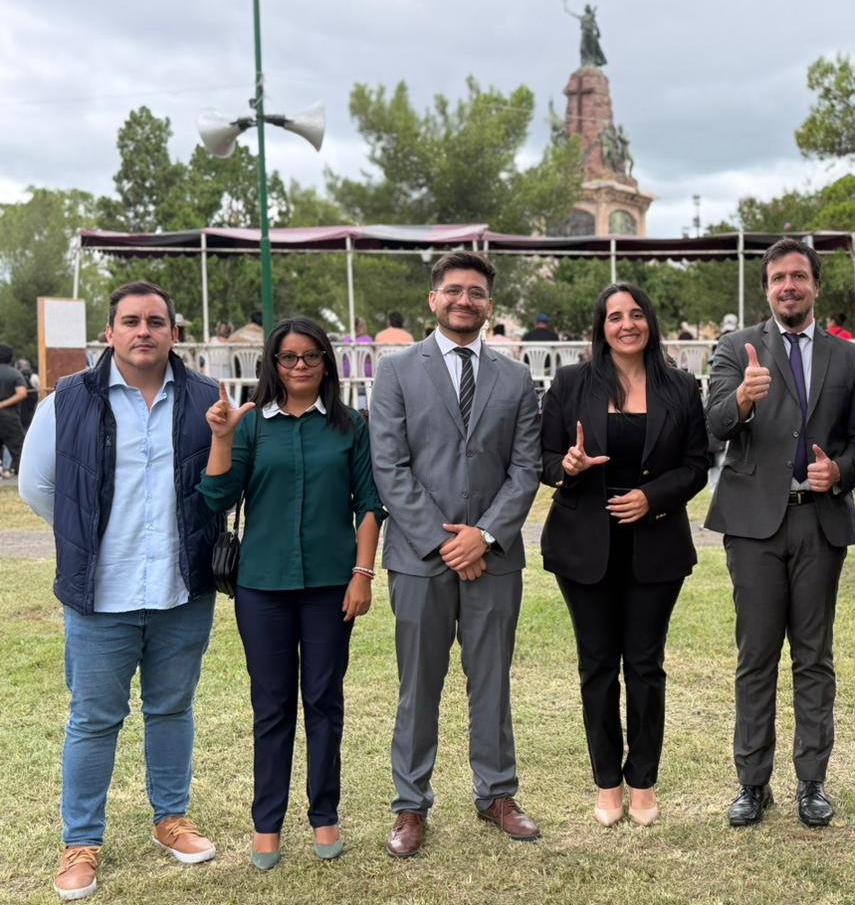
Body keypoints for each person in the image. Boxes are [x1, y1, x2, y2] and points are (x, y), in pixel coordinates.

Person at [19, 280, 222, 901]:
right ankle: (81, 841)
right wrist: (85, 538)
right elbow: (37, 485)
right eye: (130, 321)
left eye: (155, 321)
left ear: (174, 333)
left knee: (172, 709)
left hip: (181, 589)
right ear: (109, 333)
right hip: (100, 595)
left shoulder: (207, 398)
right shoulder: (68, 400)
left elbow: (223, 483)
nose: (143, 331)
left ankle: (171, 817)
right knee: (93, 719)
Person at [371, 250, 542, 855]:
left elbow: (526, 469)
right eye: (453, 290)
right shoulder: (395, 371)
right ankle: (410, 804)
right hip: (420, 559)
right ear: (433, 299)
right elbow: (389, 466)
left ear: (489, 304)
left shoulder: (516, 378)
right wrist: (447, 542)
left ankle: (497, 793)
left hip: (495, 558)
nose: (464, 300)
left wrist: (484, 536)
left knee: (491, 680)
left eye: (475, 292)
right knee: (418, 684)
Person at [197, 317, 383, 870]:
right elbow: (217, 495)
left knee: (324, 701)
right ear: (272, 365)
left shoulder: (350, 425)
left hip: (331, 587)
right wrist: (222, 437)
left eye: (310, 356)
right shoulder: (252, 425)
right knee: (271, 706)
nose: (299, 366)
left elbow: (369, 504)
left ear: (327, 362)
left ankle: (325, 814)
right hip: (263, 588)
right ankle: (267, 823)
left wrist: (363, 573)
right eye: (288, 357)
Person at [705, 238, 855, 828]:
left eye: (799, 276)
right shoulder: (736, 348)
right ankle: (752, 783)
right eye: (778, 278)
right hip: (753, 525)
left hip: (819, 521)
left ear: (816, 285)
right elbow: (714, 423)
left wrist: (840, 471)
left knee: (814, 656)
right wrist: (743, 400)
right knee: (756, 656)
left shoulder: (851, 358)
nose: (788, 286)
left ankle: (812, 782)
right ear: (767, 288)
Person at [540, 283, 709, 827]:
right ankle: (607, 782)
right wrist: (567, 466)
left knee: (644, 665)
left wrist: (652, 498)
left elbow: (697, 464)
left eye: (636, 314)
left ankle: (643, 782)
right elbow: (544, 458)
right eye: (615, 317)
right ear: (601, 327)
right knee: (596, 666)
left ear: (649, 322)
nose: (627, 324)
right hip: (583, 545)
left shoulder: (680, 386)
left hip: (655, 544)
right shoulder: (571, 382)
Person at [0, 343, 29, 478]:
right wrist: (2, 404)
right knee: (20, 449)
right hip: (9, 418)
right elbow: (22, 393)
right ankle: (23, 476)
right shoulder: (15, 374)